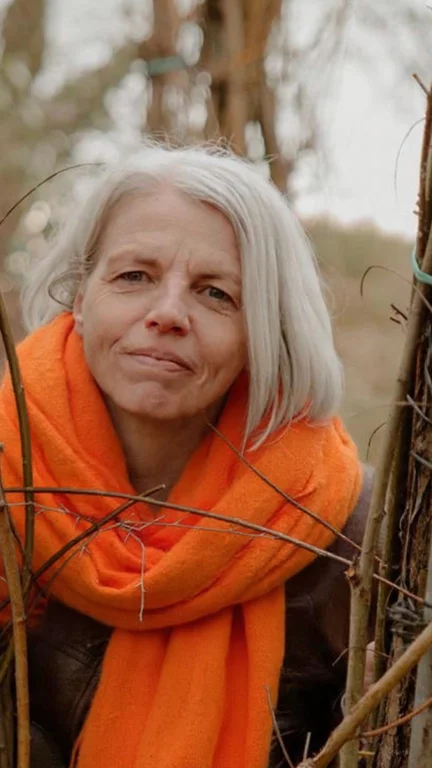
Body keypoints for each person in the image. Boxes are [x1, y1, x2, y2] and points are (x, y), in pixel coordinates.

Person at [0, 143, 373, 768]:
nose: (168, 313)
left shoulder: (343, 532)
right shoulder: (8, 470)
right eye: (134, 276)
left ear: (263, 331)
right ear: (82, 298)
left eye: (216, 293)